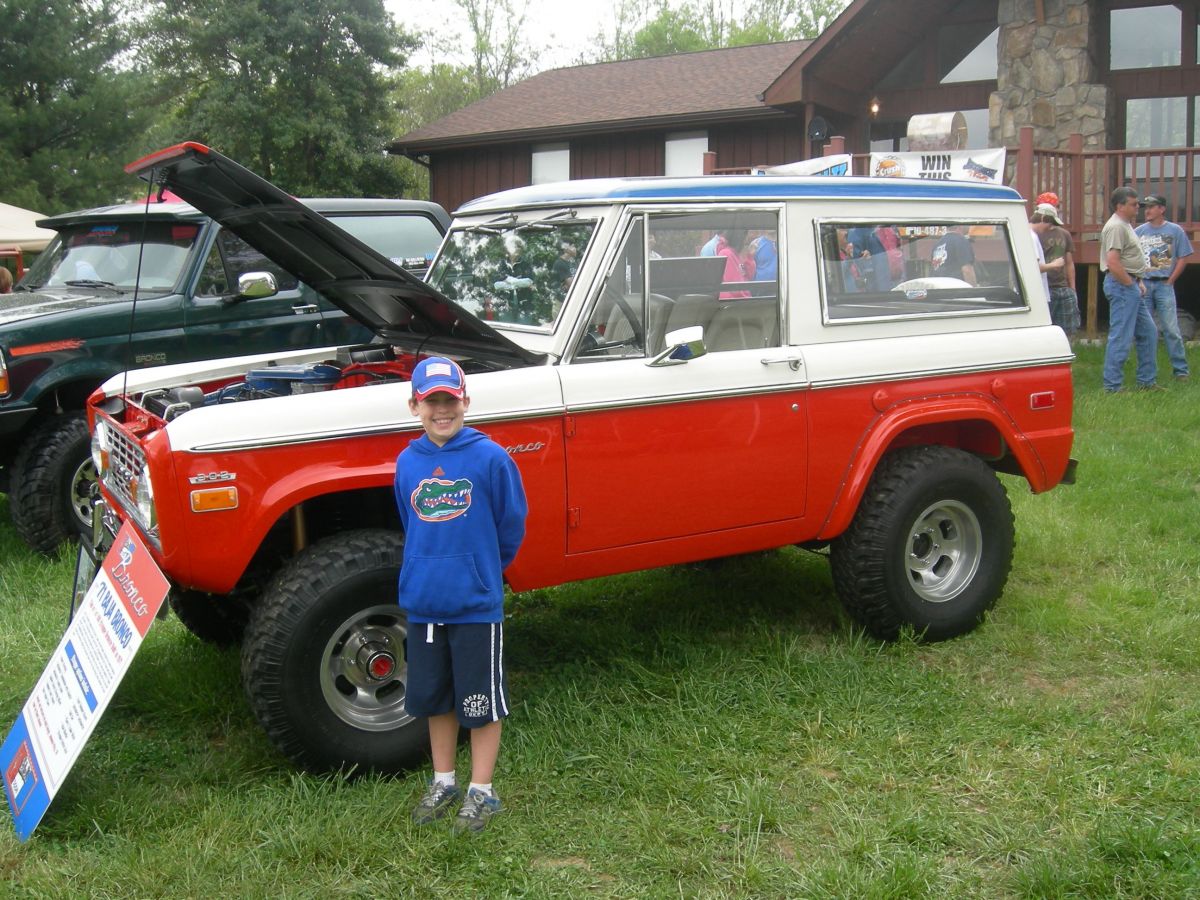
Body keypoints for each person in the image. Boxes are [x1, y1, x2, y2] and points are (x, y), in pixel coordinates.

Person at [396, 357, 528, 832]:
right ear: (415, 406)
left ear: (465, 401)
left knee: (480, 702)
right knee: (436, 698)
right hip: (425, 605)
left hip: (474, 605)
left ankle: (482, 791)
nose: (441, 410)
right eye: (431, 401)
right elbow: (410, 524)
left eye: (449, 400)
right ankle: (444, 781)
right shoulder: (408, 462)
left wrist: (481, 572)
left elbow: (510, 526)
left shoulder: (491, 459)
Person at [1100, 186, 1161, 393]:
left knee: (1149, 332)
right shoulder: (1116, 227)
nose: (1138, 208)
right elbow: (1113, 262)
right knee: (1121, 335)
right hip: (1122, 286)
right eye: (1134, 204)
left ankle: (1146, 381)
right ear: (1120, 206)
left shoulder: (1126, 225)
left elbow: (1128, 259)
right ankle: (1112, 386)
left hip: (1131, 284)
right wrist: (1129, 284)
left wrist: (1138, 280)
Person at [1135, 194, 1191, 381]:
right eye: (1146, 207)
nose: (1147, 211)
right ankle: (1147, 371)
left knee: (1171, 328)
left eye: (1151, 207)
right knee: (1146, 330)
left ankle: (1181, 370)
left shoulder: (1175, 231)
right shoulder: (1139, 231)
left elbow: (1183, 256)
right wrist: (1138, 280)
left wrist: (1171, 279)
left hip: (1164, 284)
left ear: (1161, 209)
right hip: (1144, 285)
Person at [1032, 202, 1080, 336]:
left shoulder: (1064, 234)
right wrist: (1053, 265)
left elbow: (1069, 263)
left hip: (1062, 287)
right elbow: (1032, 267)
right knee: (1045, 329)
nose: (1050, 226)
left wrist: (1072, 288)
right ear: (1042, 218)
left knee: (1068, 330)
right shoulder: (1033, 235)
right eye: (1050, 221)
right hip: (1044, 288)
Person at [1029, 208, 1065, 306]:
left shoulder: (1028, 234)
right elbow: (1034, 268)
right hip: (1035, 295)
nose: (1050, 228)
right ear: (1043, 218)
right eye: (1050, 223)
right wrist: (1054, 264)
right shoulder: (1031, 237)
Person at [845, 225, 891, 291]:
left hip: (894, 284)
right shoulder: (856, 231)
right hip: (876, 290)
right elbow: (857, 260)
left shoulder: (886, 227)